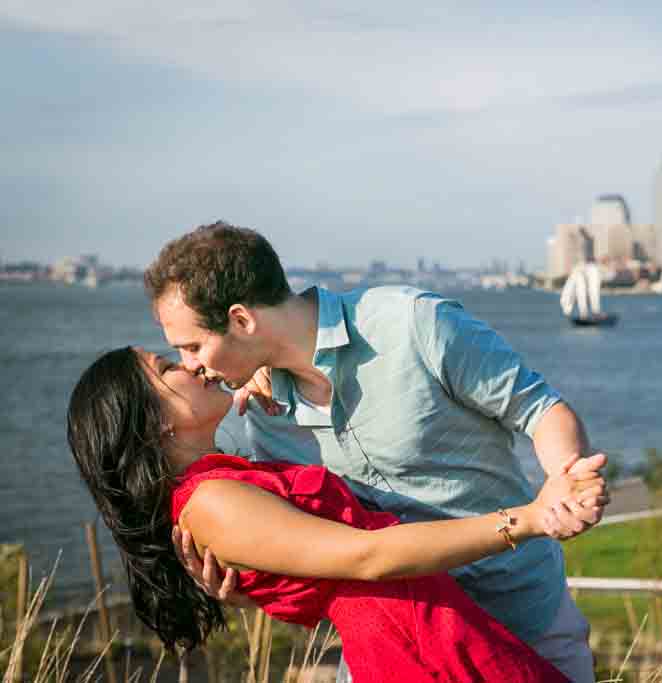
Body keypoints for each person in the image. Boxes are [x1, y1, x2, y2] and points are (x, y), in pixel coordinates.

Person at [145, 222, 607, 681]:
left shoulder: (413, 323)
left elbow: (542, 410)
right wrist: (256, 581)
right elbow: (330, 551)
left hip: (522, 617)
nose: (191, 366)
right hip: (396, 652)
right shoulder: (263, 413)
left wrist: (564, 484)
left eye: (192, 346)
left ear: (242, 320)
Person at [67, 347, 607, 682]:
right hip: (411, 642)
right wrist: (528, 519)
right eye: (165, 368)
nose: (188, 363)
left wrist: (272, 383)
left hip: (426, 623)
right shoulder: (208, 502)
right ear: (154, 424)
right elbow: (368, 556)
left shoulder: (222, 478)